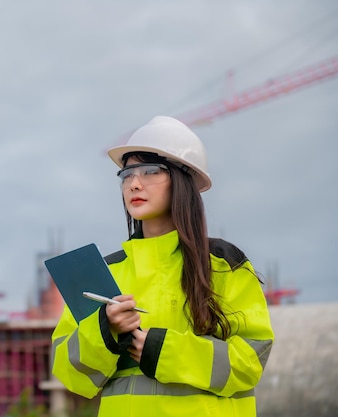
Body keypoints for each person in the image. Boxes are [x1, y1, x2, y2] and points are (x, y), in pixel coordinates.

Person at [51, 115, 274, 416]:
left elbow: (249, 362)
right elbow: (69, 373)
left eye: (150, 171)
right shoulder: (108, 271)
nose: (134, 184)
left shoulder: (223, 265)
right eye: (127, 175)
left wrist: (164, 351)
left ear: (183, 180)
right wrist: (105, 329)